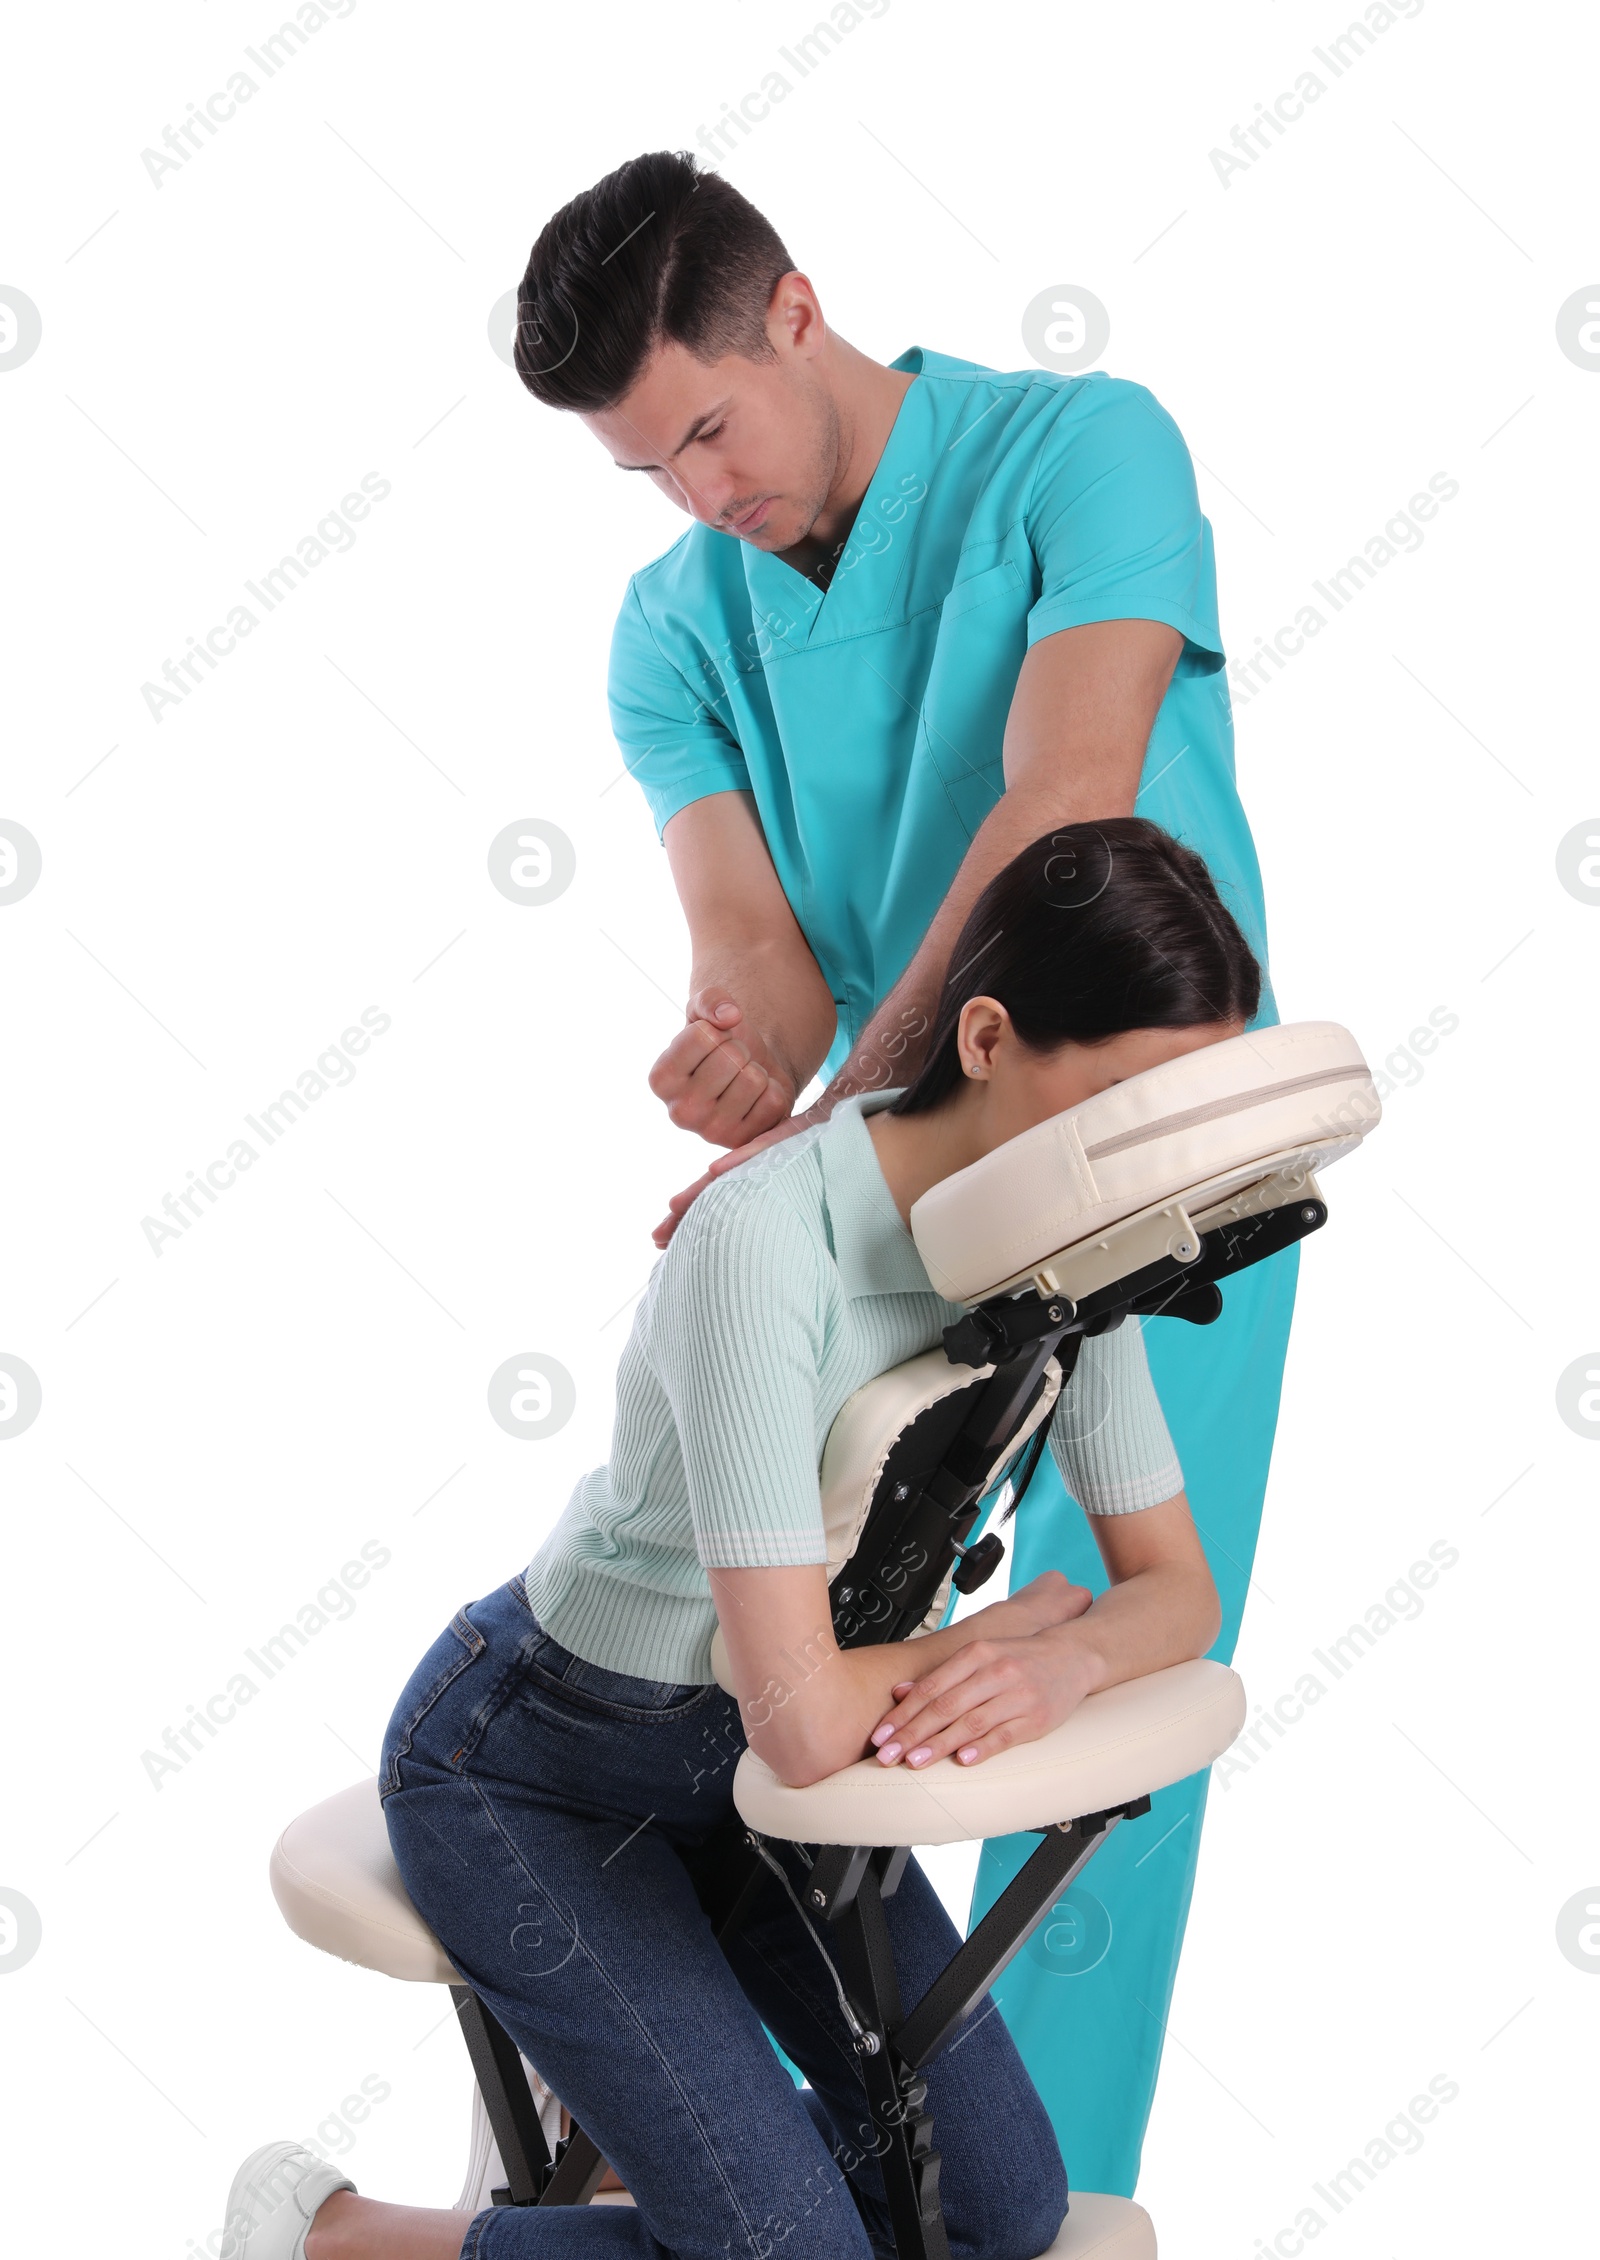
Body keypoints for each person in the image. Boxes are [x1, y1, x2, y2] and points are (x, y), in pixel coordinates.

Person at [512, 149, 1297, 2194]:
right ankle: (691, 2158)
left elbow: (1065, 804)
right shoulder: (670, 630)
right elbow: (753, 951)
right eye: (644, 467)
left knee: (1107, 1685)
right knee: (767, 1661)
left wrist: (837, 1101)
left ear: (792, 309)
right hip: (898, 1169)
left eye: (703, 426)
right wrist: (736, 1053)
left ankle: (1017, 2202)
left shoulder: (1080, 450)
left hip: (1141, 1150)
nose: (698, 490)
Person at [221, 819, 1259, 2260]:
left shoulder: (1068, 1243)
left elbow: (1177, 1594)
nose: (1147, 1162)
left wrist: (1065, 1664)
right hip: (544, 1772)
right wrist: (989, 1636)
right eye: (1123, 1104)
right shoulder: (770, 1244)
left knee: (1004, 2216)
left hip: (763, 1792)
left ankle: (699, 2178)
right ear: (986, 1035)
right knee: (811, 2253)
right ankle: (325, 2236)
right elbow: (808, 1720)